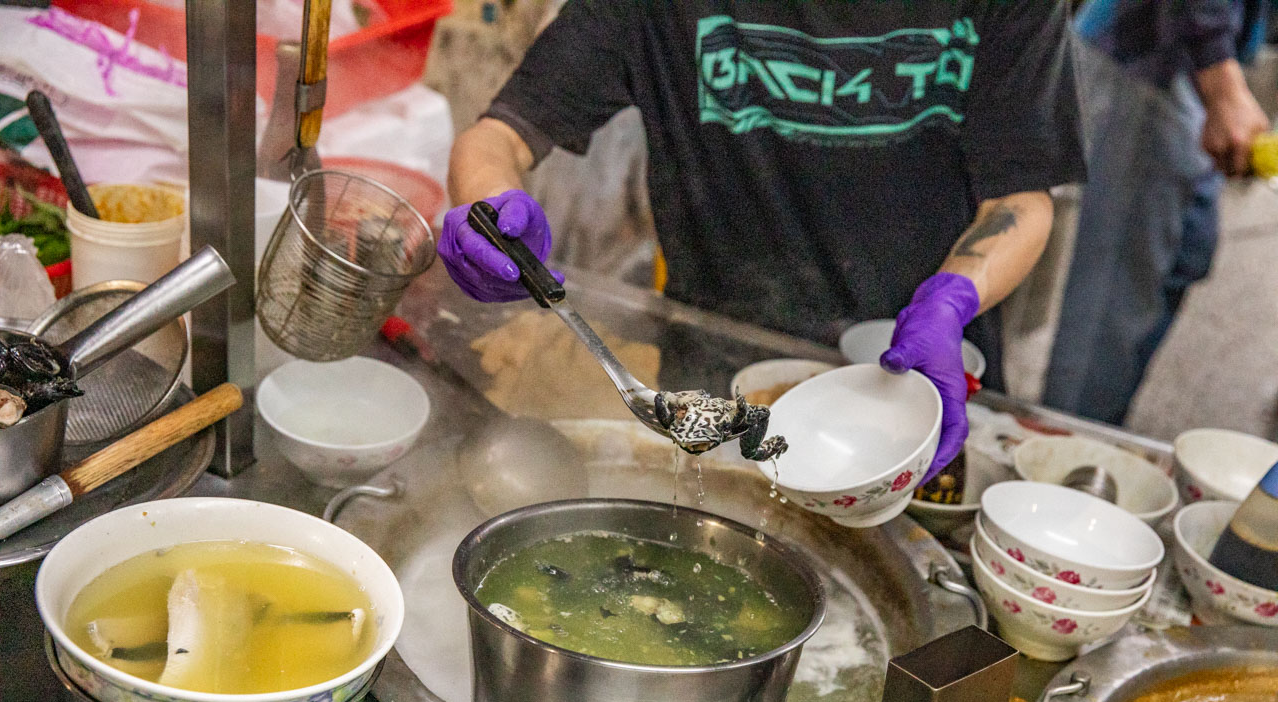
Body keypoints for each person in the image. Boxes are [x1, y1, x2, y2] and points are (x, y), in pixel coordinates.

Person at [437, 2, 1086, 478]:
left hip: (915, 383)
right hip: (719, 388)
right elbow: (500, 136)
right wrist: (489, 205)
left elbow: (1020, 197)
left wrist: (952, 298)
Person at [1042, 0, 1272, 425]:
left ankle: (1099, 435)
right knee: (1112, 305)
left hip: (1197, 63)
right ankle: (1059, 460)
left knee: (1183, 258)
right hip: (1152, 60)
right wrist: (1222, 85)